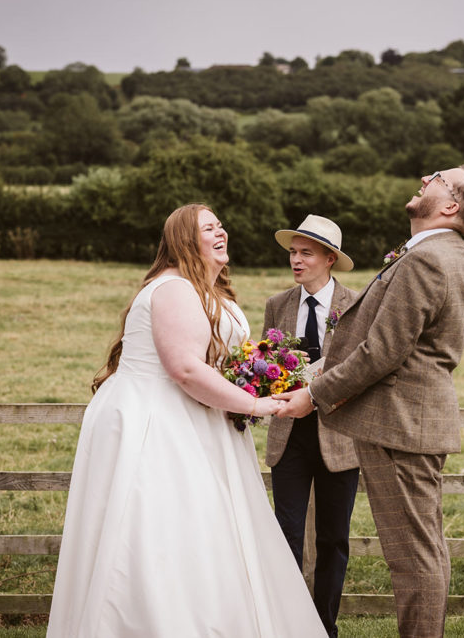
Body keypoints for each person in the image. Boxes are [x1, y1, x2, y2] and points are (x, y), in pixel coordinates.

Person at [48, 203, 327, 638]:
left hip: (197, 419)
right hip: (156, 422)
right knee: (159, 526)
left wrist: (256, 380)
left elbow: (210, 365)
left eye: (221, 224)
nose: (222, 231)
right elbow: (184, 369)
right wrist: (255, 405)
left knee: (207, 527)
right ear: (183, 240)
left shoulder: (209, 292)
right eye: (208, 227)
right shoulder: (175, 288)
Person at [276, 165, 464, 638]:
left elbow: (383, 350)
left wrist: (313, 396)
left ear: (451, 204)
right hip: (409, 423)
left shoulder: (428, 258)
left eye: (438, 177)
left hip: (402, 426)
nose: (426, 177)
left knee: (413, 558)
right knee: (423, 551)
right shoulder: (441, 252)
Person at [262, 215, 359, 638]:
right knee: (285, 536)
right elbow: (267, 364)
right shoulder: (277, 304)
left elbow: (362, 369)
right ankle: (285, 625)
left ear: (329, 259)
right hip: (289, 438)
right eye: (292, 252)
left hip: (340, 437)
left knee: (333, 541)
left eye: (306, 253)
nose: (296, 261)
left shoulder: (356, 305)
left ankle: (324, 628)